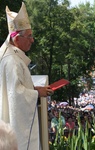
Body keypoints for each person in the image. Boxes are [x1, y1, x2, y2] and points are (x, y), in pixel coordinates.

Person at [0, 2, 53, 150]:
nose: (32, 40)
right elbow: (15, 95)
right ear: (16, 38)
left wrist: (33, 88)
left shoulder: (10, 56)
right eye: (29, 36)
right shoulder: (12, 61)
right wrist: (37, 93)